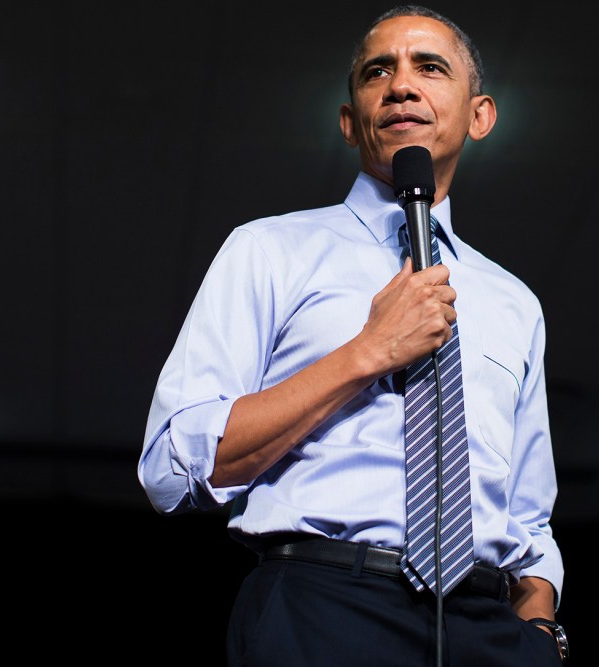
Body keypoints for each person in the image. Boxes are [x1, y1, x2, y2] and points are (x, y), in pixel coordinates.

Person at [138, 5, 567, 666]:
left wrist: (536, 629)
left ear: (479, 115)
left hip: (486, 626)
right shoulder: (270, 250)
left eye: (429, 67)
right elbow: (172, 465)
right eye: (377, 72)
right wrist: (367, 353)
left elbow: (529, 518)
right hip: (322, 607)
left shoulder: (515, 303)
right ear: (349, 122)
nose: (401, 85)